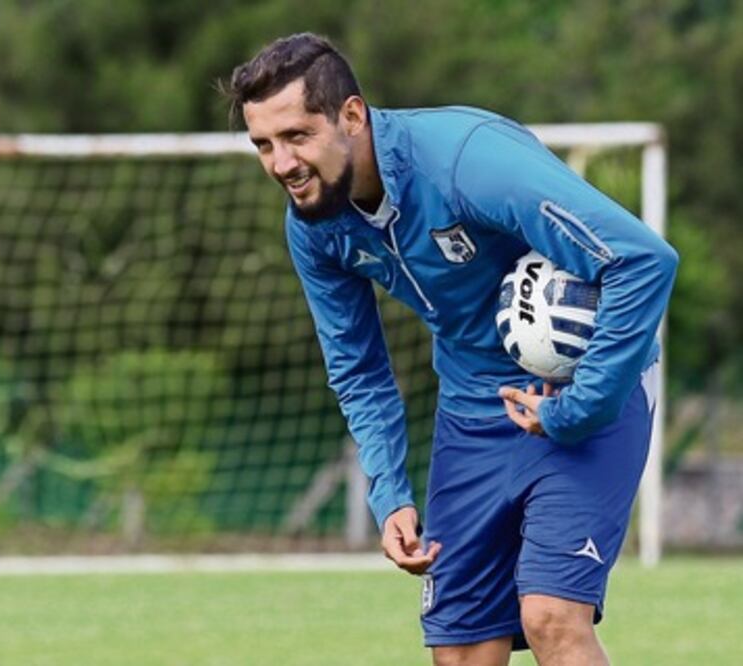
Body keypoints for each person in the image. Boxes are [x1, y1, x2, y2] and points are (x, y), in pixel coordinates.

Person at [225, 33, 678, 666]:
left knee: (551, 618)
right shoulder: (314, 225)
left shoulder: (469, 160)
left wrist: (577, 409)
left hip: (588, 392)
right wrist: (389, 494)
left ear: (351, 116)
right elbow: (357, 368)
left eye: (297, 136)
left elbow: (643, 261)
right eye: (263, 145)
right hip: (472, 407)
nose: (281, 164)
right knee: (462, 650)